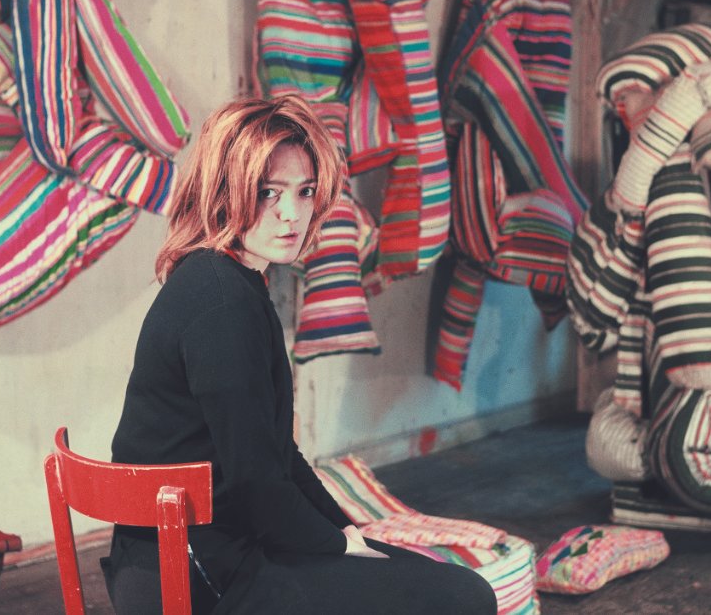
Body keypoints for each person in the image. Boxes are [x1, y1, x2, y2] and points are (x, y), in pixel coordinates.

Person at [106, 94, 498, 614]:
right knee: (464, 597)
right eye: (269, 193)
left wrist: (344, 530)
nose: (291, 215)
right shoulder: (222, 301)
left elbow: (276, 456)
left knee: (415, 574)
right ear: (226, 192)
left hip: (187, 554)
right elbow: (258, 482)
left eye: (305, 191)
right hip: (193, 576)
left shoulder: (223, 279)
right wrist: (337, 545)